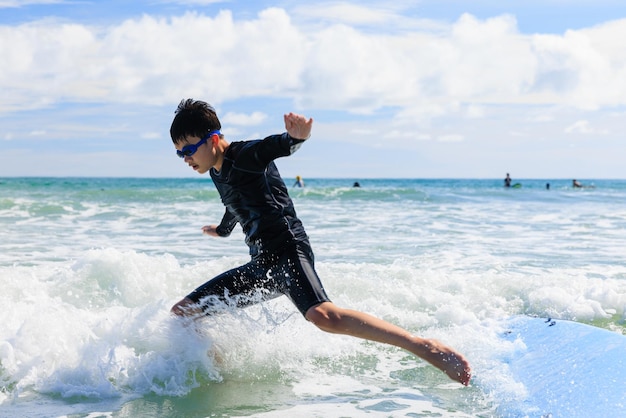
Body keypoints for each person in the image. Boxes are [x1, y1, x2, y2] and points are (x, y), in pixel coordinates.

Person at [168, 99, 471, 386]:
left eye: (189, 149)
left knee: (324, 316)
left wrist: (296, 138)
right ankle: (220, 377)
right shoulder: (216, 171)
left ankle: (421, 346)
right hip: (261, 264)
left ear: (212, 138)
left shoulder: (245, 154)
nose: (186, 159)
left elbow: (274, 147)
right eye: (180, 153)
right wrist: (222, 230)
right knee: (184, 312)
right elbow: (235, 201)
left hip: (288, 249)